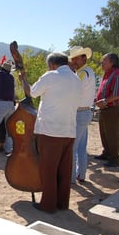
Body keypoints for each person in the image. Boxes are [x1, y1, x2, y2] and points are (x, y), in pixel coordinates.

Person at [18, 52, 82, 213]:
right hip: (69, 130)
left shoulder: (51, 76)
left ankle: (48, 204)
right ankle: (62, 203)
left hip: (50, 131)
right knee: (64, 169)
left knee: (48, 169)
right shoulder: (76, 79)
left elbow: (31, 92)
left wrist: (23, 80)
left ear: (52, 64)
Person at [68, 46, 96, 183]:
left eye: (75, 58)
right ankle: (81, 174)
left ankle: (71, 177)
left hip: (79, 112)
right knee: (81, 147)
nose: (73, 61)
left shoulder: (81, 74)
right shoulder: (88, 71)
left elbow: (74, 92)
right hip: (85, 111)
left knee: (72, 147)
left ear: (83, 57)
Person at [94, 53, 119, 167]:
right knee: (104, 132)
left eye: (104, 60)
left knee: (112, 133)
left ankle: (114, 158)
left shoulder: (117, 74)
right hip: (105, 108)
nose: (102, 63)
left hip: (112, 108)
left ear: (112, 62)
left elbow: (117, 94)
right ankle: (107, 153)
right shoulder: (107, 74)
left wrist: (104, 101)